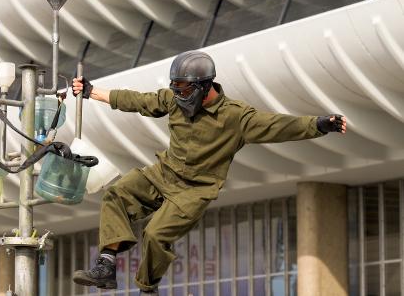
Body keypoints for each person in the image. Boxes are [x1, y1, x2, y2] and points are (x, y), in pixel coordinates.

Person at [70, 50, 347, 295]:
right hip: (164, 173)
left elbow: (278, 125)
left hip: (195, 191)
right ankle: (105, 267)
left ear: (204, 86)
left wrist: (320, 124)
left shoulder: (236, 117)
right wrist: (91, 91)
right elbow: (138, 101)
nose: (179, 96)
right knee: (117, 193)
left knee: (155, 234)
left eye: (185, 90)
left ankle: (148, 288)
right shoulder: (173, 100)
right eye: (175, 89)